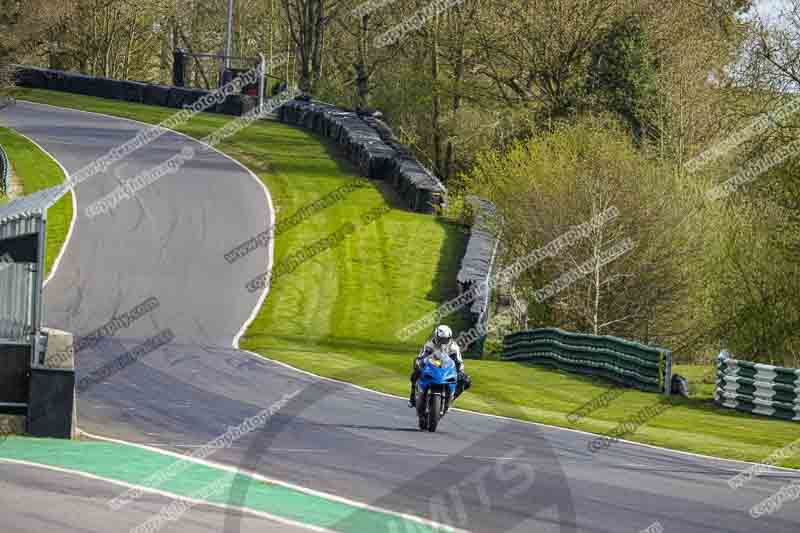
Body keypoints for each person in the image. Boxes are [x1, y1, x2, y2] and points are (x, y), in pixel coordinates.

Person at [408, 325, 470, 407]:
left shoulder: (453, 347)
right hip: (431, 368)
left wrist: (461, 372)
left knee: (466, 380)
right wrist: (419, 363)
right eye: (441, 339)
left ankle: (451, 398)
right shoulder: (429, 345)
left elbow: (459, 361)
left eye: (445, 339)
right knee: (415, 374)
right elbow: (421, 357)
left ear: (449, 338)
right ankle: (412, 398)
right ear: (436, 336)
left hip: (446, 369)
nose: (443, 341)